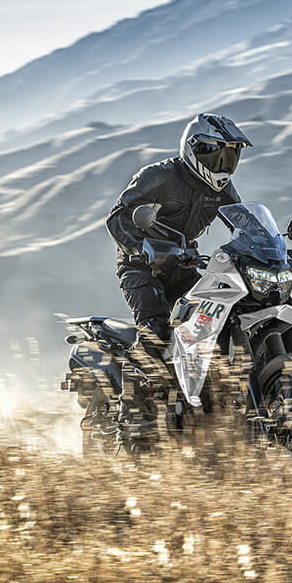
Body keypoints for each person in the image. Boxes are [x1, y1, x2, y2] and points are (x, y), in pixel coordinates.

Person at [105, 113, 251, 407]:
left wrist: (265, 251)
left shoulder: (221, 189)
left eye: (230, 157)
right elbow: (117, 217)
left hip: (183, 265)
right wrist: (139, 247)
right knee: (155, 331)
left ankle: (203, 395)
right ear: (195, 150)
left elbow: (244, 223)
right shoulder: (159, 176)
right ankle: (131, 410)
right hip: (141, 266)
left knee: (214, 317)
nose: (223, 166)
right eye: (216, 156)